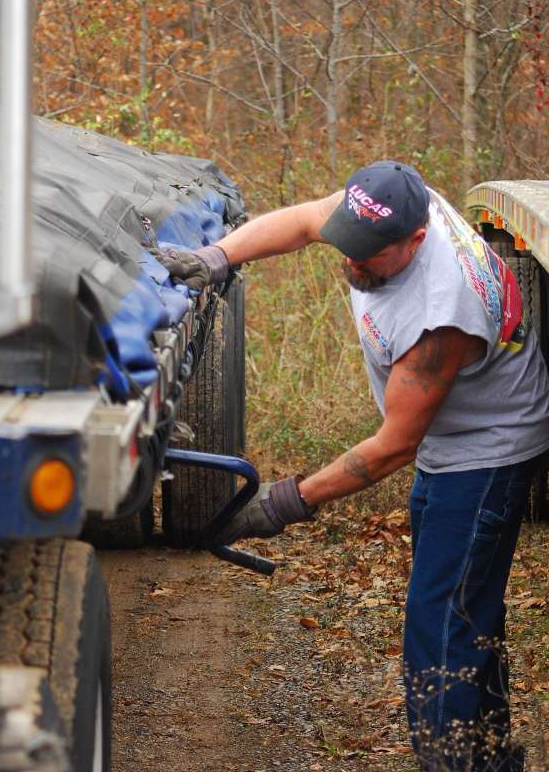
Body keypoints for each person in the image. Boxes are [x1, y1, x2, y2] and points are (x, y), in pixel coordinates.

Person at [153, 161, 549, 772]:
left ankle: (455, 762)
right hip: (454, 442)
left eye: (368, 256)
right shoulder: (389, 203)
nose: (351, 262)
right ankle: (494, 756)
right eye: (349, 245)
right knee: (466, 608)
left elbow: (393, 445)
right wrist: (218, 257)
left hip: (484, 455)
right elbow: (304, 222)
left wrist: (284, 503)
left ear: (415, 241)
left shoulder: (441, 313)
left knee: (439, 631)